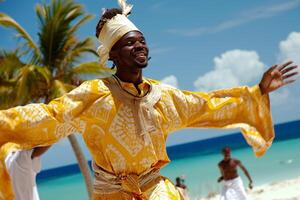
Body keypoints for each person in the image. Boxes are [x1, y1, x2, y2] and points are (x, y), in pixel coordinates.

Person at [0, 0, 298, 199]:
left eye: (142, 40)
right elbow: (50, 116)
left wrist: (257, 91)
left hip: (156, 190)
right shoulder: (95, 95)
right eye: (130, 42)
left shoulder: (163, 97)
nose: (140, 45)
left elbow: (207, 105)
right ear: (112, 56)